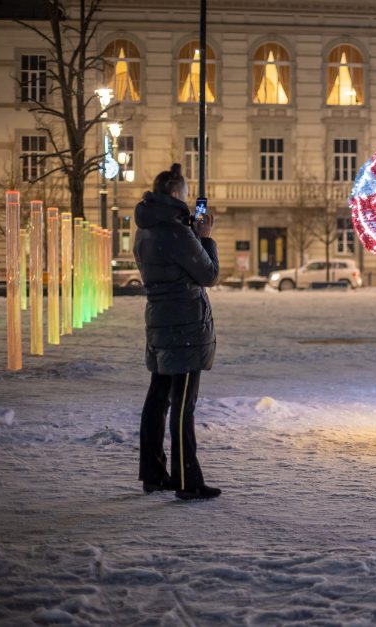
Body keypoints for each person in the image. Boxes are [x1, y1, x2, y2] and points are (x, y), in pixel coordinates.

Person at [134, 163, 221, 500]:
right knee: (183, 404)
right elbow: (209, 274)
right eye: (185, 194)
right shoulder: (177, 233)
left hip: (159, 321)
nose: (187, 199)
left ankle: (154, 474)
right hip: (184, 325)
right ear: (174, 194)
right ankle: (187, 481)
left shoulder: (146, 227)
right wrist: (205, 239)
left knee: (158, 400)